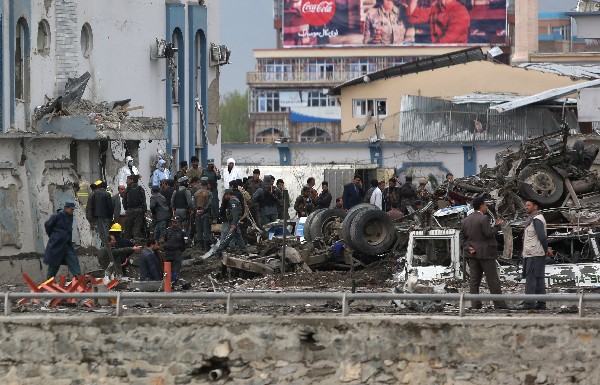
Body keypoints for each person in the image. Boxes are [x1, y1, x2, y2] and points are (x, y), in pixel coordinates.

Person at [459, 196, 508, 310]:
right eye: (485, 205)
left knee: (474, 281)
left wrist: (468, 247)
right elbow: (488, 234)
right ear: (481, 206)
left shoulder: (466, 220)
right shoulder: (484, 219)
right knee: (492, 280)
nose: (486, 207)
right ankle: (499, 305)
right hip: (486, 254)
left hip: (472, 254)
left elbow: (461, 236)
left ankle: (475, 304)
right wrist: (497, 225)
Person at [519, 199, 552, 310]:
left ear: (535, 207)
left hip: (534, 253)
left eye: (529, 205)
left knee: (531, 279)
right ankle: (541, 303)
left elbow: (542, 237)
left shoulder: (537, 219)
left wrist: (546, 249)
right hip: (535, 253)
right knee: (538, 279)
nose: (526, 207)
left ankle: (529, 303)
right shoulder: (533, 219)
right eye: (526, 205)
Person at [43, 202, 81, 279]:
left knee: (73, 259)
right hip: (56, 244)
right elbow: (48, 225)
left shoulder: (70, 216)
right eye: (71, 209)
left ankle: (79, 278)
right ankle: (49, 281)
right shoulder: (56, 216)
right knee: (54, 264)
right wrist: (54, 236)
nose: (72, 211)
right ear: (66, 208)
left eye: (73, 210)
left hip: (66, 244)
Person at [216, 190, 248, 256]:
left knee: (229, 237)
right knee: (236, 237)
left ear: (228, 194)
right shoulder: (234, 200)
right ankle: (244, 251)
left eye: (225, 195)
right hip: (234, 222)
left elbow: (235, 214)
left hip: (233, 222)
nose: (225, 197)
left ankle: (219, 251)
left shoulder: (233, 201)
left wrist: (234, 224)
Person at [123, 174, 147, 240]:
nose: (126, 182)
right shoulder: (140, 189)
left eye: (127, 180)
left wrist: (126, 209)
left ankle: (127, 241)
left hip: (130, 210)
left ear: (132, 180)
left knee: (128, 227)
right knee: (137, 226)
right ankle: (136, 241)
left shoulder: (127, 189)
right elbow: (143, 201)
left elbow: (124, 201)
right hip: (139, 210)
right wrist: (144, 211)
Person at [194, 177, 213, 250]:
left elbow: (193, 203)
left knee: (199, 230)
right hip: (206, 213)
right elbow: (210, 203)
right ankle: (207, 247)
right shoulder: (209, 193)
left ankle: (200, 246)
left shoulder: (196, 193)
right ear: (207, 183)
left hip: (198, 213)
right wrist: (204, 210)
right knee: (206, 230)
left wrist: (197, 210)